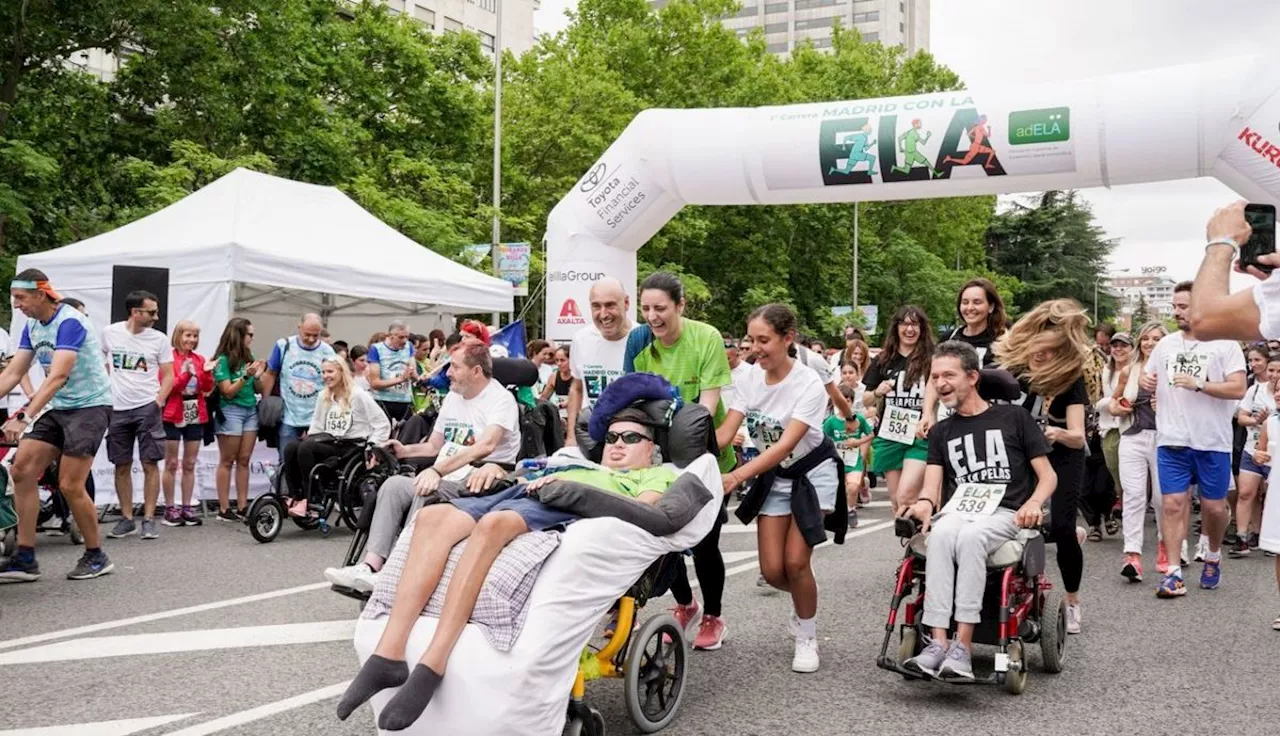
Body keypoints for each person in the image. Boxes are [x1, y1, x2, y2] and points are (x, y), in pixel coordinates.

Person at [335, 407, 678, 730]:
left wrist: (571, 489)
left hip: (569, 501)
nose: (618, 445)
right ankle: (388, 654)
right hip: (521, 491)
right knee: (431, 517)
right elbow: (522, 470)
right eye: (613, 437)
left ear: (651, 449)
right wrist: (495, 469)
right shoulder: (572, 461)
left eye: (631, 439)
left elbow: (643, 509)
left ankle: (433, 662)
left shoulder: (656, 474)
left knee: (493, 526)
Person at [901, 340, 1056, 680]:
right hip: (960, 509)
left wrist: (1033, 503)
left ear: (972, 377)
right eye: (935, 376)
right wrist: (924, 503)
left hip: (1005, 512)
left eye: (948, 375)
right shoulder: (942, 431)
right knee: (940, 532)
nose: (940, 383)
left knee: (971, 537)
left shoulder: (1014, 418)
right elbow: (933, 486)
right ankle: (938, 643)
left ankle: (963, 648)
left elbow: (1048, 476)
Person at [324, 341, 522, 592]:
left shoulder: (501, 400)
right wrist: (403, 449)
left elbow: (486, 445)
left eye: (455, 367)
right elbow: (433, 446)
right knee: (394, 485)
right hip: (447, 472)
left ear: (476, 372)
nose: (447, 372)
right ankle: (371, 565)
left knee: (424, 488)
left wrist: (437, 471)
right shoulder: (453, 396)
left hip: (483, 476)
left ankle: (400, 569)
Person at [716, 304, 845, 673]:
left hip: (811, 473)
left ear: (787, 339)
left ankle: (807, 633)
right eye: (750, 340)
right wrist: (701, 452)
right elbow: (728, 431)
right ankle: (806, 596)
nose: (754, 348)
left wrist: (737, 477)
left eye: (763, 340)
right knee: (773, 572)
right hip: (773, 477)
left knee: (795, 561)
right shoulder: (747, 379)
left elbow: (785, 446)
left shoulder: (808, 384)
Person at [623, 271, 734, 651]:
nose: (653, 317)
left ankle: (714, 616)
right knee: (663, 537)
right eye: (646, 309)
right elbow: (632, 399)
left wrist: (695, 459)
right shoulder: (639, 341)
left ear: (680, 306)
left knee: (704, 542)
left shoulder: (706, 338)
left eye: (661, 309)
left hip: (704, 452)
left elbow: (708, 406)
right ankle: (687, 603)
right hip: (659, 456)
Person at [0, 270, 114, 582]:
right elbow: (12, 374)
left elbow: (59, 375)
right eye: (14, 298)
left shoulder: (70, 321)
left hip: (90, 407)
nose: (17, 304)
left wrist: (24, 416)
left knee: (69, 484)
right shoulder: (33, 326)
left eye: (21, 297)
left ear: (41, 293)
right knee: (21, 469)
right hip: (59, 407)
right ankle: (25, 557)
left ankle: (96, 555)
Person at [1140, 281, 1247, 597]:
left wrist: (1199, 384)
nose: (1176, 312)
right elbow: (1149, 377)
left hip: (1211, 441)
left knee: (1214, 508)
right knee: (1172, 504)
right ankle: (1173, 572)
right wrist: (1147, 380)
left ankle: (1213, 554)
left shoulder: (1225, 345)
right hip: (1172, 438)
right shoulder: (1166, 345)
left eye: (1183, 306)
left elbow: (1238, 388)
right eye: (1174, 306)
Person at [993, 299, 1091, 633]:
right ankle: (1013, 590)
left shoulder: (1070, 379)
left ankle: (1073, 601)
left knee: (1063, 530)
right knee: (1016, 521)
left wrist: (1059, 432)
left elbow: (1079, 437)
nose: (1040, 356)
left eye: (1049, 351)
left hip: (1063, 454)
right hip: (1025, 454)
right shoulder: (1016, 371)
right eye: (1037, 348)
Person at [101, 290, 174, 541]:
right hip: (118, 408)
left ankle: (150, 519)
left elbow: (169, 375)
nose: (156, 316)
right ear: (135, 312)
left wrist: (158, 401)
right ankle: (126, 518)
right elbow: (102, 363)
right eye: (152, 312)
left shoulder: (159, 339)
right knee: (121, 464)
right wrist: (106, 390)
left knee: (149, 462)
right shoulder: (110, 333)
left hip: (147, 406)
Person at [282, 358, 390, 516]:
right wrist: (308, 440)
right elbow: (317, 424)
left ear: (341, 372)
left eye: (330, 371)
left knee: (306, 448)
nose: (326, 376)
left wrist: (373, 445)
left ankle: (312, 499)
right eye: (323, 372)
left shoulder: (358, 395)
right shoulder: (323, 396)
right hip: (329, 440)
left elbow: (382, 423)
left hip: (351, 445)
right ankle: (296, 496)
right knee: (292, 447)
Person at [864, 306, 935, 515]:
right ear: (896, 328)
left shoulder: (932, 357)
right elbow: (865, 398)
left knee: (907, 495)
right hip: (891, 433)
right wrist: (878, 391)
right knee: (896, 501)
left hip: (920, 434)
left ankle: (923, 542)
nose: (910, 329)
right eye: (905, 323)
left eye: (915, 324)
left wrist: (929, 416)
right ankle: (912, 544)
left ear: (922, 328)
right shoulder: (883, 359)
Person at [1115, 321, 1168, 581]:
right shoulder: (1129, 370)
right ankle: (1132, 556)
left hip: (1164, 438)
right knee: (1134, 495)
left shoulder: (1171, 370)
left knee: (1161, 498)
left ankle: (1165, 545)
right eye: (1146, 339)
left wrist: (1167, 404)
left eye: (1156, 339)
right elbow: (1112, 402)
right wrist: (1120, 407)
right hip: (1133, 437)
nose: (1150, 344)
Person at [262, 313, 337, 464]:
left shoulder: (327, 351)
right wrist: (266, 400)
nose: (310, 339)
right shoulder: (284, 346)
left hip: (317, 416)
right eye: (307, 335)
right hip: (288, 415)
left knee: (313, 461)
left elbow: (334, 380)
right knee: (287, 460)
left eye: (315, 336)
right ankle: (285, 488)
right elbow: (270, 373)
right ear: (299, 328)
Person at [566, 278, 633, 446]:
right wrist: (571, 437)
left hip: (630, 439)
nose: (603, 314)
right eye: (596, 306)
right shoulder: (581, 339)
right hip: (592, 436)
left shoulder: (643, 339)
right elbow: (577, 388)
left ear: (626, 303)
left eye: (610, 305)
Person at [160, 320, 214, 527]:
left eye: (194, 336)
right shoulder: (168, 358)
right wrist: (186, 374)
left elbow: (207, 388)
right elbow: (169, 386)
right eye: (187, 335)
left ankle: (186, 507)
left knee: (189, 463)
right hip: (173, 412)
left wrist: (206, 373)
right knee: (171, 463)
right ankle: (170, 508)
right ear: (178, 336)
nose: (191, 340)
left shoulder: (199, 359)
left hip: (194, 412)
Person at [212, 318, 266, 522]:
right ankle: (224, 507)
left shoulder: (247, 357)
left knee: (244, 459)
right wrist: (245, 376)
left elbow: (259, 389)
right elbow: (227, 392)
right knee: (227, 460)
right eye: (249, 334)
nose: (252, 338)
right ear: (238, 335)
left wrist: (258, 376)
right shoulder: (223, 360)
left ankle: (243, 505)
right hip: (231, 410)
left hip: (250, 409)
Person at [1231, 351, 1278, 557]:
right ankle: (1242, 537)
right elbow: (1241, 417)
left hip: (1275, 455)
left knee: (1271, 497)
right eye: (1272, 370)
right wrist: (1257, 421)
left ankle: (1270, 537)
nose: (1275, 375)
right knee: (1246, 493)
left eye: (1279, 371)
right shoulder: (1255, 390)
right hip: (1252, 449)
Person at [1092, 332, 1136, 541]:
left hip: (1134, 429)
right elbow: (1097, 402)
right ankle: (1121, 508)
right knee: (1118, 480)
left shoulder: (1139, 371)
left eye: (1123, 346)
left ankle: (1131, 524)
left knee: (1132, 482)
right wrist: (1112, 403)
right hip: (1110, 430)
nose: (1118, 349)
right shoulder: (1105, 371)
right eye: (1115, 345)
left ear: (1131, 349)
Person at [824, 384, 872, 528]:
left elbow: (870, 434)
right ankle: (838, 513)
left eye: (848, 401)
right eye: (841, 401)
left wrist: (858, 441)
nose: (844, 404)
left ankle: (851, 510)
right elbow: (823, 438)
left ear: (852, 402)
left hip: (854, 461)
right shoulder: (831, 422)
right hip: (837, 462)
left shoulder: (859, 420)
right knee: (839, 490)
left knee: (852, 488)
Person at [365, 321, 417, 423]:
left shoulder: (408, 346)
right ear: (390, 336)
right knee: (385, 435)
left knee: (407, 436)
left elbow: (413, 371)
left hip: (405, 400)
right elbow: (375, 383)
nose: (405, 341)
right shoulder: (376, 349)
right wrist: (400, 379)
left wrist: (420, 378)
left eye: (407, 337)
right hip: (384, 400)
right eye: (401, 337)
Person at [539, 344, 572, 422]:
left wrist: (562, 405)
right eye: (557, 360)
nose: (559, 364)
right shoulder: (554, 377)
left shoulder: (579, 377)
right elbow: (543, 398)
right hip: (560, 418)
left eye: (562, 360)